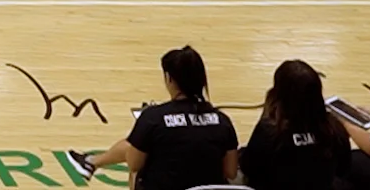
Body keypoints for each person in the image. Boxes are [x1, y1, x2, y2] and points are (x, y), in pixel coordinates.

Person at [64, 47, 237, 190]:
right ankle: (91, 162)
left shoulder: (153, 117)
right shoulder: (223, 121)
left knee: (137, 159)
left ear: (169, 79)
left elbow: (134, 164)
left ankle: (91, 162)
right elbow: (230, 172)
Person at [240, 59, 352, 190]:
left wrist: (268, 112)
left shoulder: (269, 131)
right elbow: (343, 168)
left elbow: (249, 168)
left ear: (278, 95)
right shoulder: (334, 128)